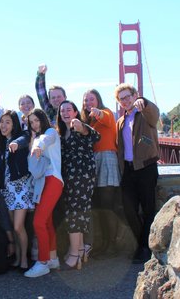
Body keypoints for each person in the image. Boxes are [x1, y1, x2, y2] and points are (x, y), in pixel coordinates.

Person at [115, 83, 160, 264]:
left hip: (146, 168)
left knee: (149, 208)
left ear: (135, 95)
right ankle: (142, 244)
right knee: (129, 209)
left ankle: (143, 248)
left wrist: (144, 102)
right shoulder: (121, 121)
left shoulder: (145, 114)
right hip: (128, 170)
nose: (125, 101)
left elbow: (154, 114)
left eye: (128, 97)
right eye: (121, 99)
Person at [57, 100, 100, 270]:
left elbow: (96, 137)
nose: (65, 113)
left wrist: (82, 127)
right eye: (62, 111)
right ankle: (80, 249)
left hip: (82, 176)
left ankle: (75, 254)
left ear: (75, 112)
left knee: (74, 212)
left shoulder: (79, 127)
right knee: (76, 211)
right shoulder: (61, 132)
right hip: (68, 177)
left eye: (69, 110)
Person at [81, 89, 121, 259]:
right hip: (93, 161)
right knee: (99, 206)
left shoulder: (106, 114)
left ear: (98, 100)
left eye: (92, 99)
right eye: (86, 100)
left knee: (107, 205)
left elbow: (104, 116)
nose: (89, 102)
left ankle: (112, 245)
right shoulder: (86, 121)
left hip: (106, 159)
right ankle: (105, 243)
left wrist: (97, 112)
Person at [23, 109, 63, 278]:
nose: (35, 124)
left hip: (52, 180)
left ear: (43, 119)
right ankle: (52, 258)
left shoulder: (50, 131)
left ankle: (43, 262)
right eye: (31, 122)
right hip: (43, 182)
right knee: (46, 222)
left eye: (36, 120)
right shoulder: (36, 137)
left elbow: (48, 139)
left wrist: (38, 146)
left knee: (38, 222)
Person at [0, 110, 34, 271]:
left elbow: (24, 139)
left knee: (19, 226)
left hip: (21, 187)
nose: (3, 125)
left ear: (14, 124)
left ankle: (25, 259)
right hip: (7, 189)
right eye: (2, 122)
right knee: (13, 226)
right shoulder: (0, 143)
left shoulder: (21, 136)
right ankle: (18, 257)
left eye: (8, 122)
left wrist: (15, 144)